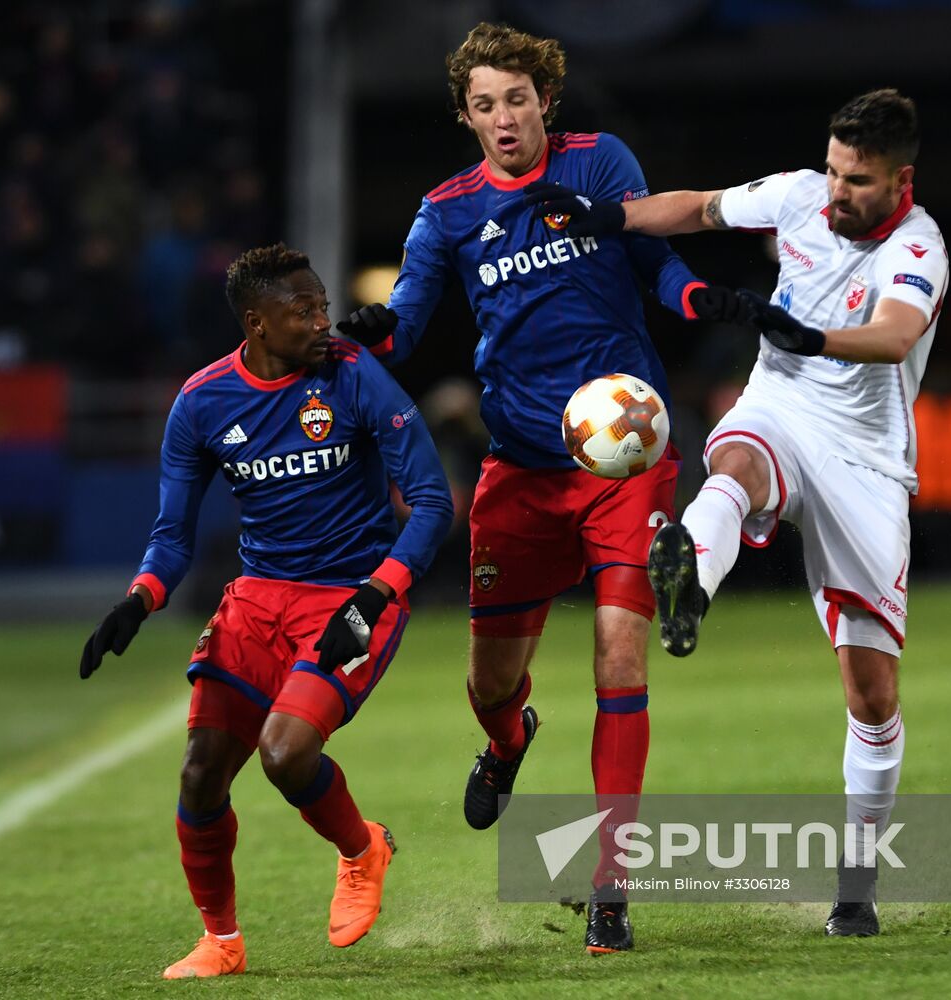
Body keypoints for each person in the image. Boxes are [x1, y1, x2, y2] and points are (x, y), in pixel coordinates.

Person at [337, 22, 730, 955]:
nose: (505, 118)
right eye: (485, 105)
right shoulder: (445, 212)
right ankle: (509, 743)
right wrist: (366, 331)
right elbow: (407, 323)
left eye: (518, 99)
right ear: (466, 118)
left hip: (626, 462)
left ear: (545, 101)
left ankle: (610, 886)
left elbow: (657, 263)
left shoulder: (598, 167)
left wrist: (695, 301)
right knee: (489, 685)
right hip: (519, 473)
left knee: (620, 664)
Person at [527, 88, 949, 937]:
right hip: (782, 407)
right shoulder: (799, 193)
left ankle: (856, 889)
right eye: (832, 170)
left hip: (865, 459)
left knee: (871, 698)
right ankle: (689, 579)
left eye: (856, 180)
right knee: (734, 461)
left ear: (899, 179)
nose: (835, 192)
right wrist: (607, 215)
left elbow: (897, 334)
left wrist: (806, 334)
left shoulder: (917, 244)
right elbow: (704, 209)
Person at [79, 243, 453, 978]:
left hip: (350, 596)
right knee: (199, 776)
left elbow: (433, 504)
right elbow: (171, 536)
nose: (323, 321)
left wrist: (375, 595)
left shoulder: (353, 375)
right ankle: (221, 942)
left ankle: (360, 849)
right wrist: (138, 599)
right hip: (257, 599)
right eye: (303, 311)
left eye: (322, 306)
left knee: (285, 754)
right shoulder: (203, 401)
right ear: (256, 323)